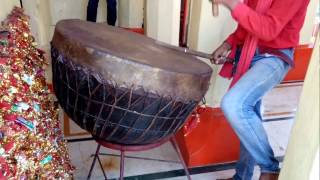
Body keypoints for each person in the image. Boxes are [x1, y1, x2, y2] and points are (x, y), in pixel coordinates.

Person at [210, 0, 310, 180]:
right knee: (250, 115)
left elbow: (269, 29)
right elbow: (250, 20)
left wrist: (232, 3)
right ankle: (242, 177)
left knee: (234, 104)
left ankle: (270, 169)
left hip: (275, 57)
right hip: (250, 51)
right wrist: (228, 43)